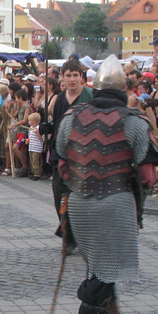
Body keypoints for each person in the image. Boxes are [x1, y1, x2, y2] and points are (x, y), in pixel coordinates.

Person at [55, 55, 158, 314]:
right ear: (124, 89)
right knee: (103, 272)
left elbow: (61, 161)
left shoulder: (72, 117)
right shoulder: (135, 121)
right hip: (116, 204)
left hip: (80, 205)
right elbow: (148, 176)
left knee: (102, 264)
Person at [44, 59, 94, 220]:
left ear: (81, 77)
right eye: (68, 75)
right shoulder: (58, 99)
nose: (72, 79)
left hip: (85, 155)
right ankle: (66, 232)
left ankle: (81, 234)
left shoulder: (91, 96)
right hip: (61, 155)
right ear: (62, 78)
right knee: (59, 196)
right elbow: (58, 124)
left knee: (82, 198)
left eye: (75, 75)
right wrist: (48, 128)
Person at [27, 112, 44, 181]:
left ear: (34, 122)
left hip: (37, 147)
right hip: (31, 146)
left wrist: (37, 133)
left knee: (35, 161)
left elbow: (41, 139)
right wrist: (27, 141)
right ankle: (33, 172)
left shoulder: (39, 128)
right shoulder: (30, 128)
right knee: (31, 160)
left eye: (29, 121)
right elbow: (29, 137)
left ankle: (37, 173)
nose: (28, 122)